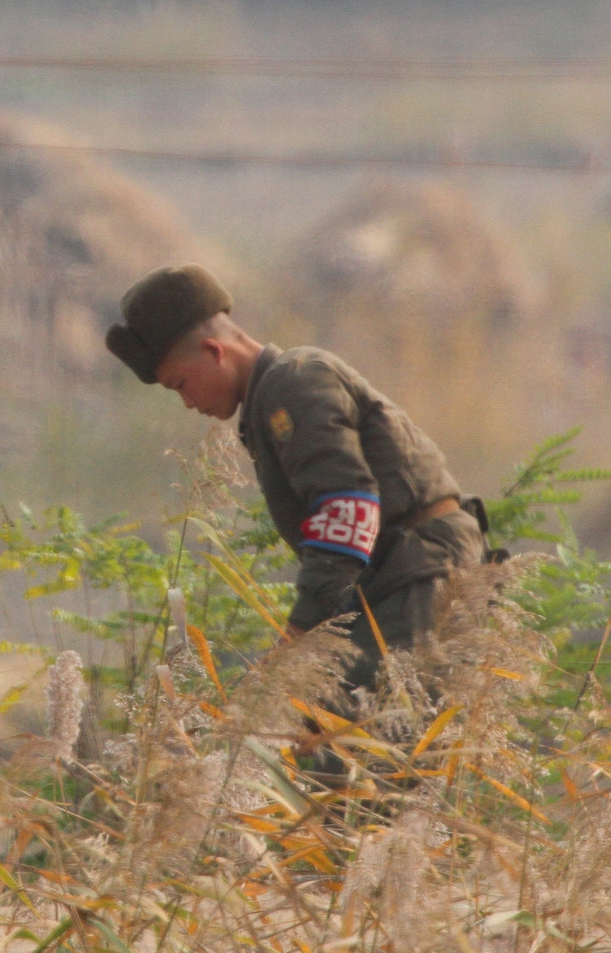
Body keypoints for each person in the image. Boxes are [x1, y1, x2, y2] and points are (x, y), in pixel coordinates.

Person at [104, 264, 484, 693]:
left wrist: (299, 634)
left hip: (421, 576)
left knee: (346, 730)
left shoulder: (294, 381)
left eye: (181, 384)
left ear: (214, 351)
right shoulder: (274, 394)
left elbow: (347, 508)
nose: (189, 402)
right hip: (400, 577)